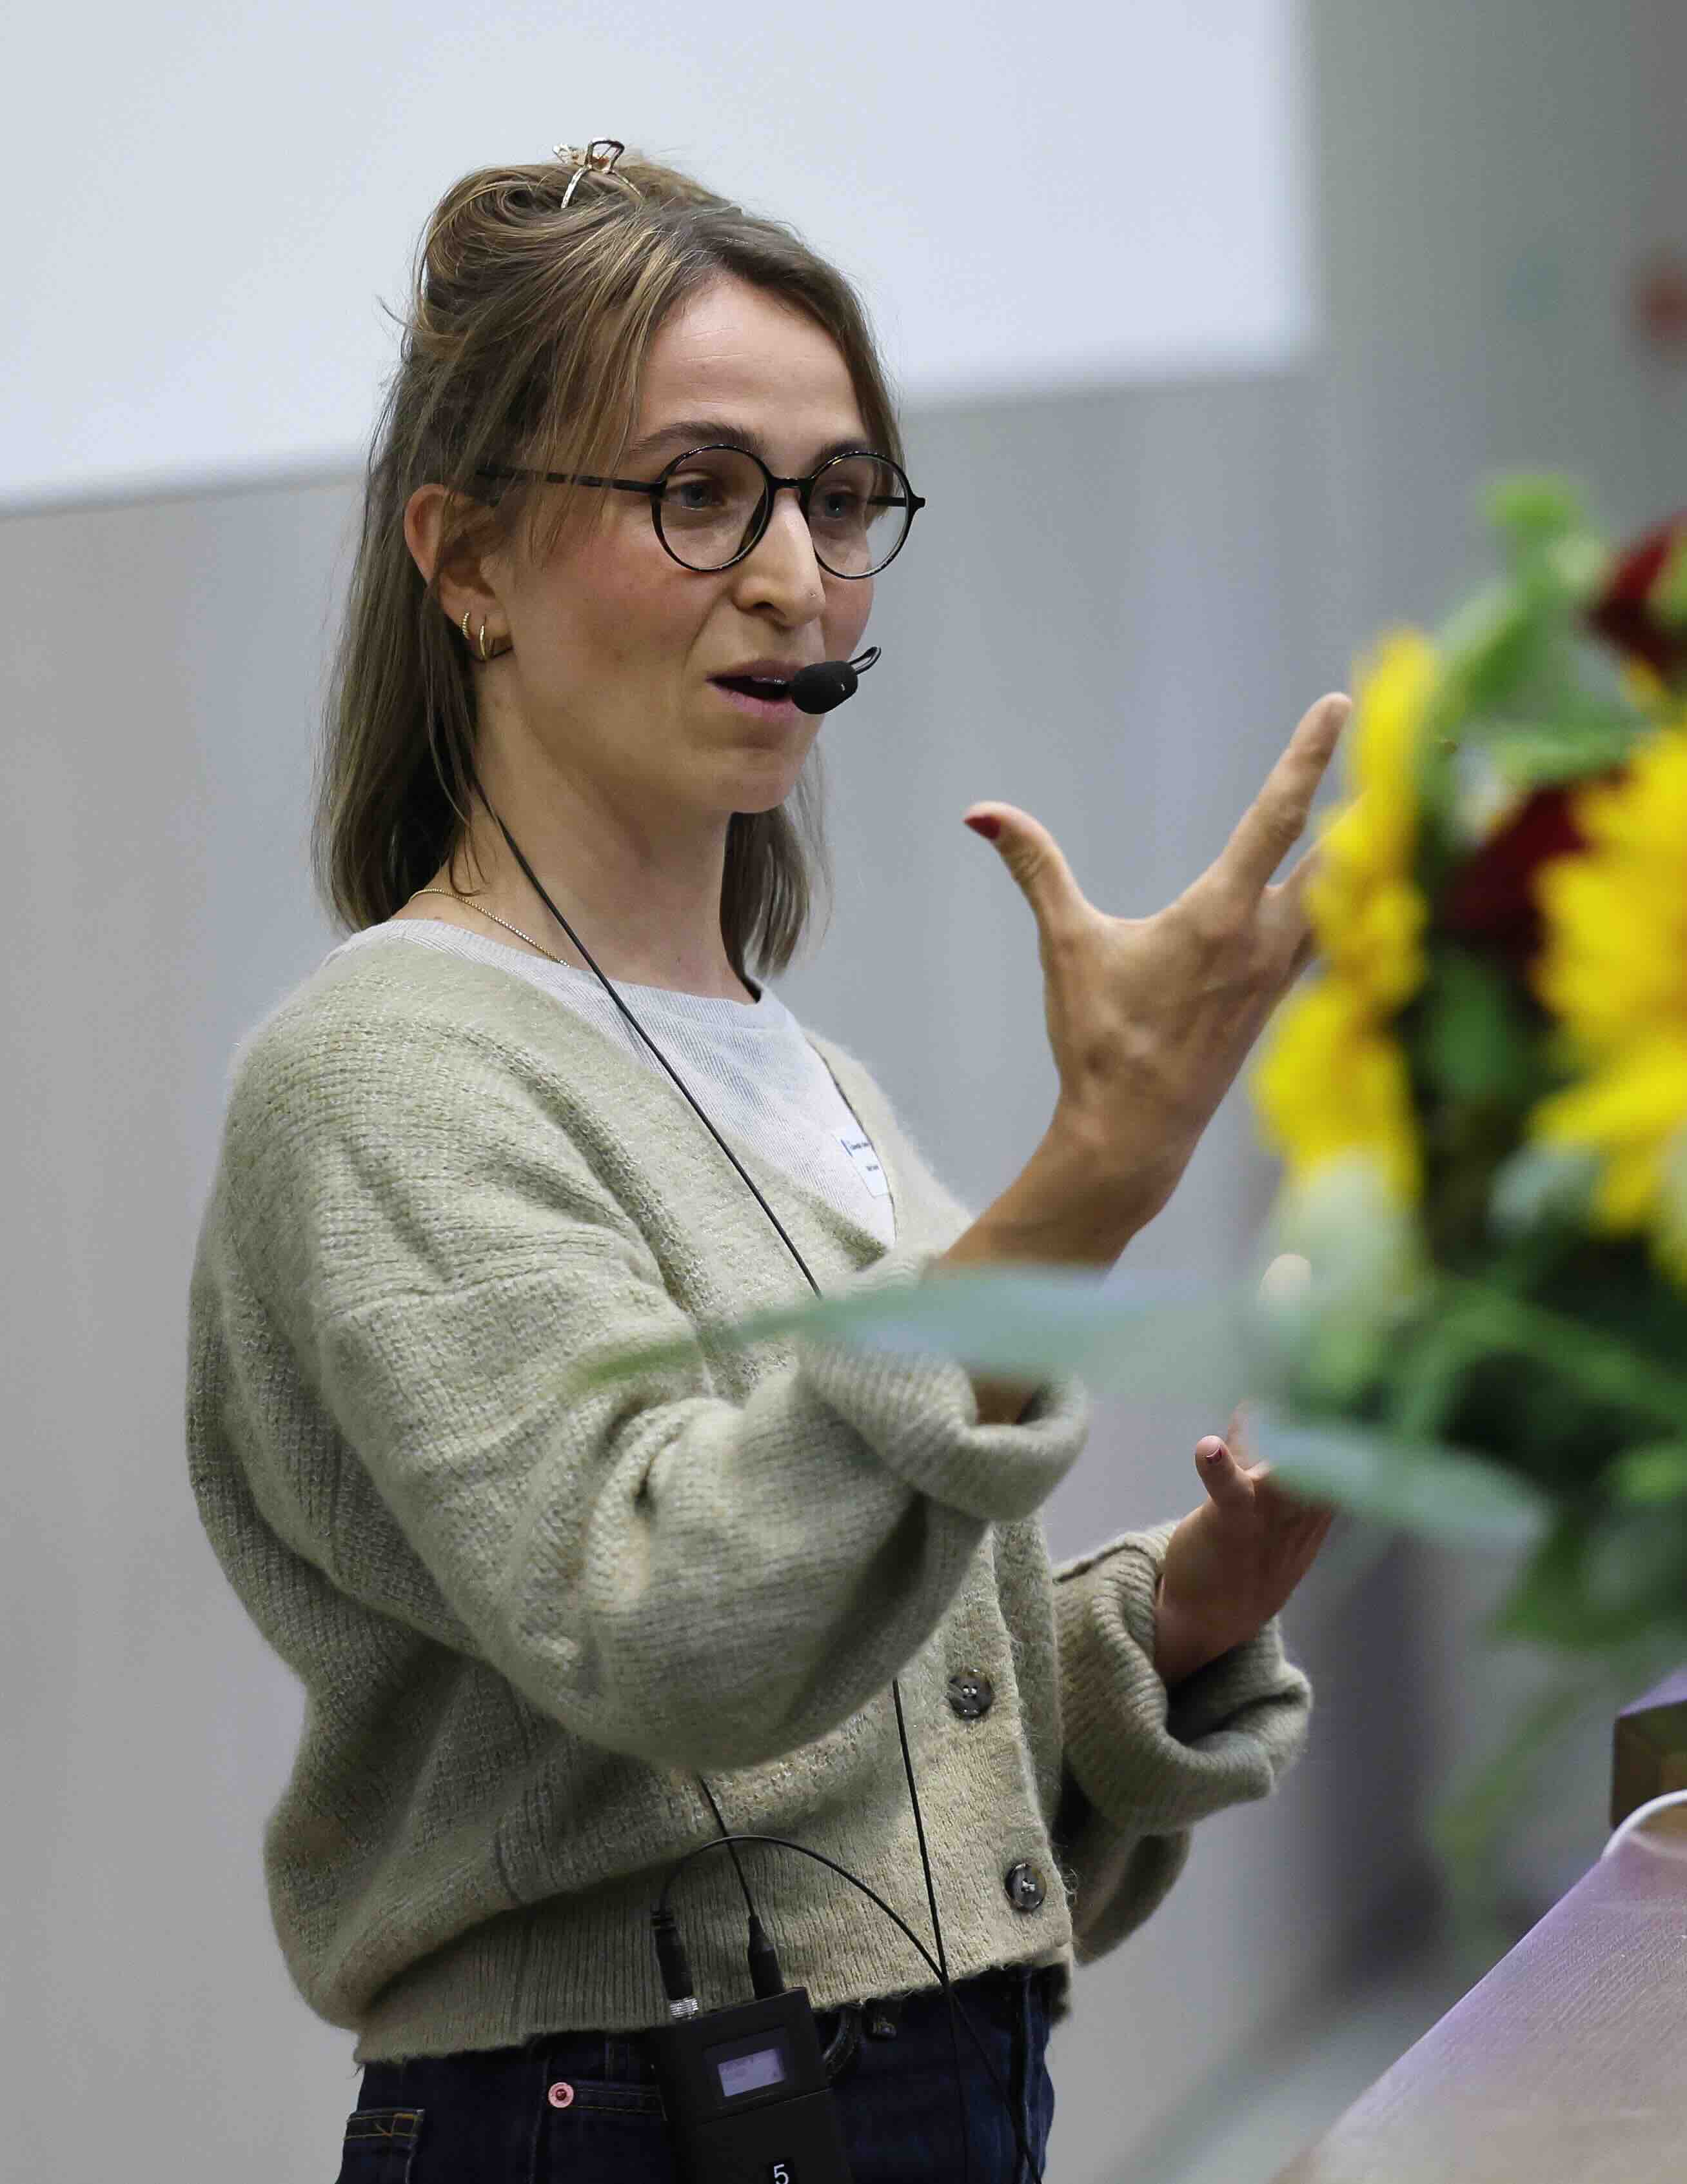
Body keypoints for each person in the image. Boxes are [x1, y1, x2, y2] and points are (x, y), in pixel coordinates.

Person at [183, 144, 1348, 2180]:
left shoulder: (799, 1073)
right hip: (617, 2123)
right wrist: (1096, 1173)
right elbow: (668, 1631)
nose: (798, 576)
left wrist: (1162, 1627)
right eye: (697, 492)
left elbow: (849, 1739)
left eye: (837, 496)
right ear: (463, 561)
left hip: (892, 2093)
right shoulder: (377, 1078)